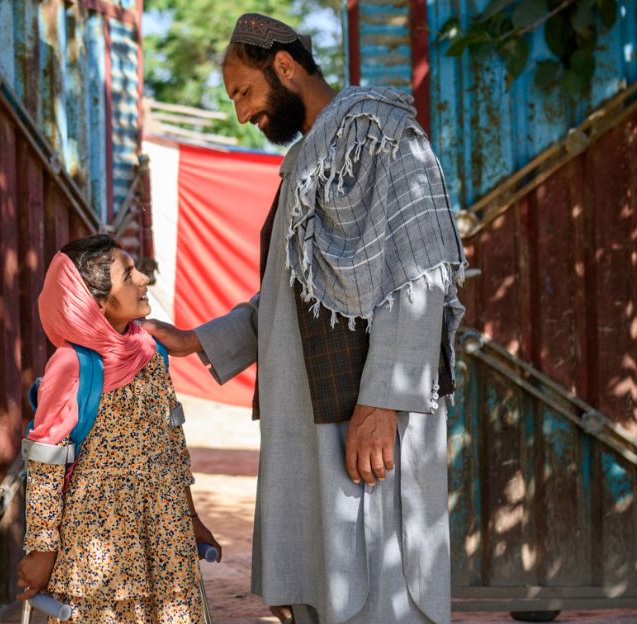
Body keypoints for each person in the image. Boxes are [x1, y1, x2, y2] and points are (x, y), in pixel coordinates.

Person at [142, 13, 467, 624]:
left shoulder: (382, 134)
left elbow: (419, 274)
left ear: (284, 67)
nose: (240, 113)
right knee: (329, 585)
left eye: (244, 91)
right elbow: (288, 294)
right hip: (312, 414)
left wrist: (382, 402)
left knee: (382, 587)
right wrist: (197, 341)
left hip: (362, 414)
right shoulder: (308, 158)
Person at [16, 235, 221, 623]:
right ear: (95, 302)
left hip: (165, 536)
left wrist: (190, 518)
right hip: (99, 547)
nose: (143, 278)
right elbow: (46, 466)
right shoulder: (71, 366)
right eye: (128, 275)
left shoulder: (151, 350)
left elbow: (172, 441)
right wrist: (42, 551)